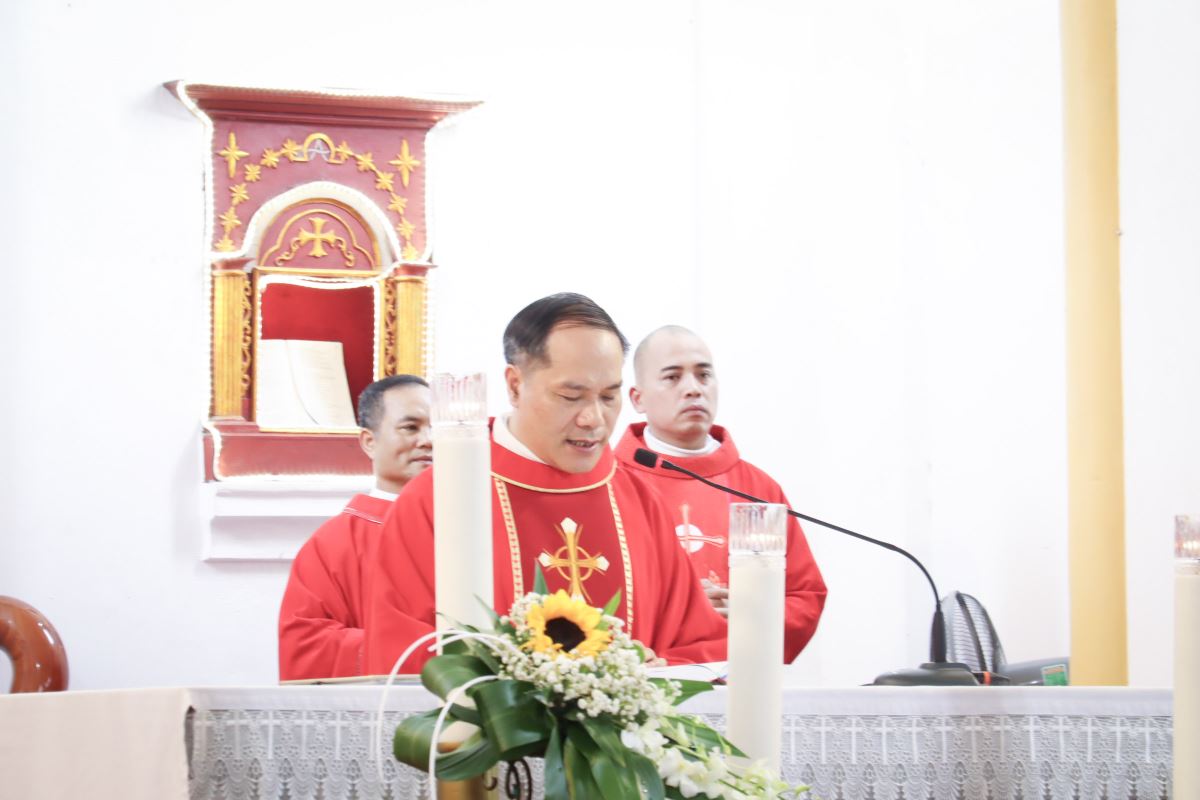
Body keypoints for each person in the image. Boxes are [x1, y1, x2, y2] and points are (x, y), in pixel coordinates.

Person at [362, 294, 727, 674]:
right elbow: (400, 656)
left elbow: (700, 644)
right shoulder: (439, 499)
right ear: (514, 385)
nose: (593, 419)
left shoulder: (638, 501)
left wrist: (652, 673)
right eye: (571, 396)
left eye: (609, 396)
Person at [615, 325, 827, 662]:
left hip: (738, 676)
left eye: (703, 376)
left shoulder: (756, 490)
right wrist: (679, 611)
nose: (693, 389)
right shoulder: (611, 484)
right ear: (637, 398)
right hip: (647, 678)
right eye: (672, 377)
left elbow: (804, 596)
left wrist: (750, 610)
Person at [278, 374, 432, 680]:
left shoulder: (470, 528)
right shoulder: (333, 545)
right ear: (369, 442)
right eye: (410, 427)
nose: (428, 440)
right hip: (384, 703)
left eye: (436, 427)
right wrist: (409, 652)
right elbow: (306, 644)